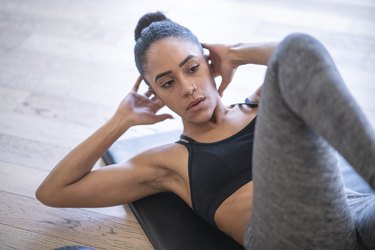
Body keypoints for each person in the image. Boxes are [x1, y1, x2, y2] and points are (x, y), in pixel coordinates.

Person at [36, 11, 375, 250]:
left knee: (297, 51)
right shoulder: (169, 162)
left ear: (210, 65)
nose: (187, 88)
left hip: (352, 212)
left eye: (192, 68)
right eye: (168, 83)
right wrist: (119, 121)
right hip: (289, 237)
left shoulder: (261, 104)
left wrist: (236, 53)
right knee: (296, 49)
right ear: (157, 95)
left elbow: (306, 56)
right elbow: (53, 191)